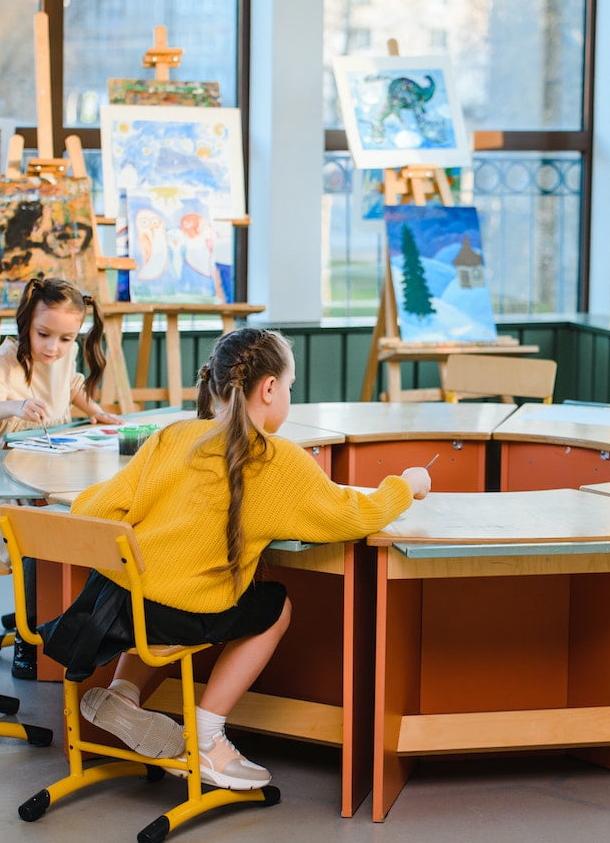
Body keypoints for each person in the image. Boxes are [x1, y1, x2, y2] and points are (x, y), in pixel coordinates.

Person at [39, 327, 431, 790]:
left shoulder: (173, 436)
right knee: (274, 607)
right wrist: (406, 485)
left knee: (159, 582)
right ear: (269, 388)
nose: (288, 396)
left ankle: (123, 695)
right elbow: (352, 516)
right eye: (290, 387)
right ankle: (206, 737)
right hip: (174, 613)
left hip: (115, 604)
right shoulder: (276, 460)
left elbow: (94, 509)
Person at [0, 277, 122, 678]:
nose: (53, 348)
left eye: (66, 339)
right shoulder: (4, 361)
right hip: (4, 482)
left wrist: (95, 410)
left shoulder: (61, 355)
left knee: (75, 518)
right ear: (27, 322)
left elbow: (72, 384)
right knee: (36, 538)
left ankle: (52, 611)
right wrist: (16, 405)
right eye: (44, 334)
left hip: (45, 468)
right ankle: (28, 636)